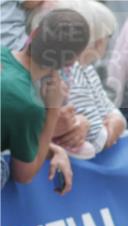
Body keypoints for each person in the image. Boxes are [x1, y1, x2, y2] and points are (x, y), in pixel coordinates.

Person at [1, 7, 87, 194]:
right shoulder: (29, 105)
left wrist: (53, 148)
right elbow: (24, 175)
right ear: (70, 62)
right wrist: (53, 110)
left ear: (33, 33)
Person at [65, 0, 127, 156]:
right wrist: (113, 127)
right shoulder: (70, 73)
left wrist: (115, 122)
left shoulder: (87, 68)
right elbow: (96, 139)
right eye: (109, 36)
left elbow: (113, 112)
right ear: (99, 40)